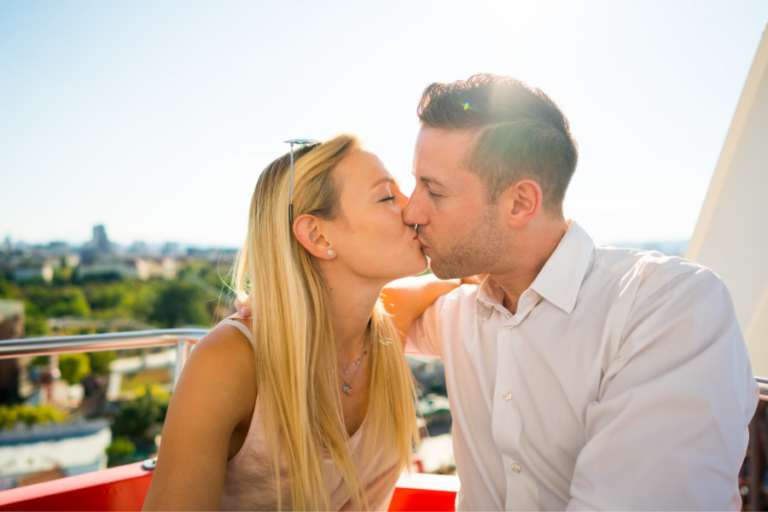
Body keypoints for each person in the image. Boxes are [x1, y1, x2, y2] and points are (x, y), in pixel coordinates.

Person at [239, 74, 759, 510]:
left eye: (433, 190)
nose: (411, 211)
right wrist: (285, 303)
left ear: (519, 204)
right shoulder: (459, 312)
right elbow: (358, 321)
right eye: (411, 184)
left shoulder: (668, 308)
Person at [142, 134, 460, 511]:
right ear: (316, 234)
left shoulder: (387, 320)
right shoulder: (229, 361)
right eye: (387, 197)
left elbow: (467, 275)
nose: (413, 210)